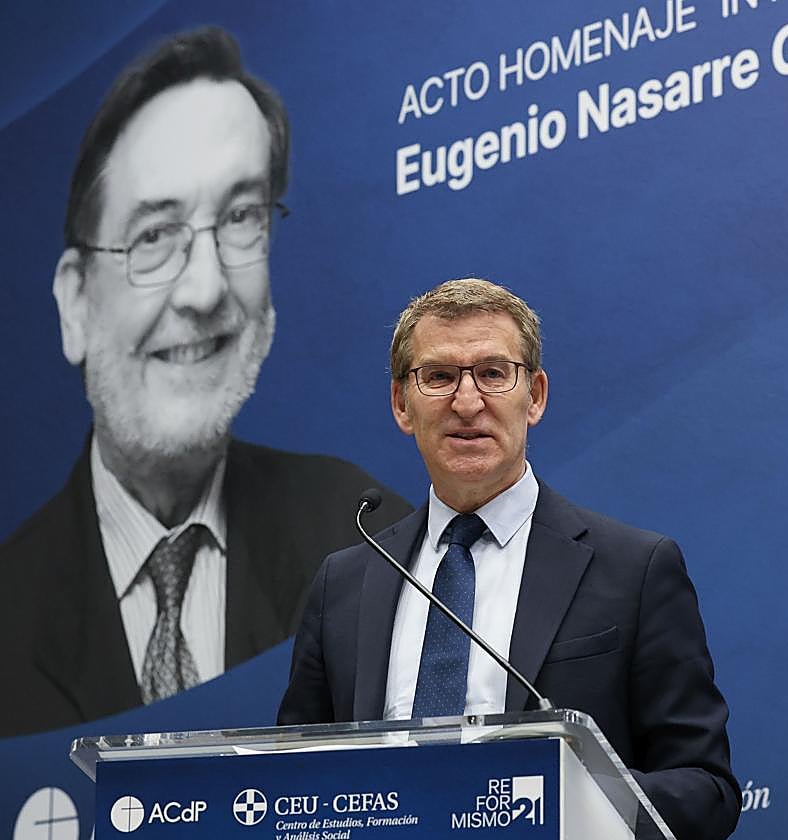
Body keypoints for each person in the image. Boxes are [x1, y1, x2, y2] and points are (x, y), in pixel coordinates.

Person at [0, 27, 410, 738]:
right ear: (75, 303)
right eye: (154, 235)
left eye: (241, 218)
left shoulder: (368, 540)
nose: (206, 288)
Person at [278, 278, 739, 839]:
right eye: (438, 376)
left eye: (493, 374)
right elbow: (290, 786)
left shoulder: (635, 570)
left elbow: (706, 788)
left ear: (535, 396)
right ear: (402, 404)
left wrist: (563, 802)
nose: (467, 402)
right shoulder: (346, 581)